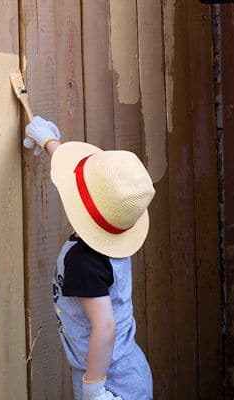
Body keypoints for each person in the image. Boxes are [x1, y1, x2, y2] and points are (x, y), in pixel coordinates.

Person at [23, 116, 155, 400]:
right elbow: (82, 185)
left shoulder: (83, 261)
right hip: (127, 366)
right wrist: (47, 140)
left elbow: (105, 326)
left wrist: (94, 388)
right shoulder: (112, 234)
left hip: (109, 380)